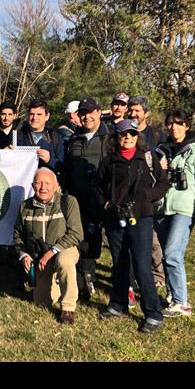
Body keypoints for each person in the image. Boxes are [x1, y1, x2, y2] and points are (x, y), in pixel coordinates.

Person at [94, 119, 169, 333]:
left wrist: (146, 197)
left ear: (137, 136)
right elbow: (97, 187)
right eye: (123, 134)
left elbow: (163, 184)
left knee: (142, 265)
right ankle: (118, 305)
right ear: (116, 137)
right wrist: (105, 203)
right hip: (115, 218)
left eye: (132, 134)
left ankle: (153, 313)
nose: (127, 137)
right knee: (119, 263)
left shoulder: (147, 158)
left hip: (141, 217)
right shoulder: (109, 161)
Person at [156, 110, 195, 318]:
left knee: (173, 254)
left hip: (184, 210)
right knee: (166, 255)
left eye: (178, 123)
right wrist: (159, 168)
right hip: (162, 209)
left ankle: (182, 302)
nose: (174, 127)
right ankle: (173, 295)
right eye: (170, 124)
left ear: (187, 126)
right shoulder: (162, 150)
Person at [14, 168, 84, 324]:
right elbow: (18, 235)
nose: (43, 187)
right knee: (41, 302)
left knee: (64, 262)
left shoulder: (68, 202)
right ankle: (57, 283)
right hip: (40, 257)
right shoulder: (24, 207)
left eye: (47, 183)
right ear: (32, 185)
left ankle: (68, 308)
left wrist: (52, 251)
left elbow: (76, 234)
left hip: (65, 249)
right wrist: (24, 255)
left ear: (56, 185)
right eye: (39, 183)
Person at [61, 96, 114, 299]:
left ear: (99, 112)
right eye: (82, 113)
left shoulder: (110, 137)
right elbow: (68, 168)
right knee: (81, 238)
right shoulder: (74, 139)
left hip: (102, 199)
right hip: (78, 198)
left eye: (90, 112)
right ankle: (84, 277)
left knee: (100, 241)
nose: (87, 117)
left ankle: (119, 282)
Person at [127, 94, 167, 290]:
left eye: (137, 111)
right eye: (131, 110)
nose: (133, 114)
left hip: (149, 195)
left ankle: (158, 276)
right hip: (129, 196)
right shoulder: (125, 132)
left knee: (153, 240)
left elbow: (165, 158)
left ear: (146, 113)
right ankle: (134, 276)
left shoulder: (156, 135)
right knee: (132, 240)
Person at [7, 99, 59, 169]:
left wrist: (49, 160)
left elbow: (63, 166)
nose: (34, 118)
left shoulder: (55, 137)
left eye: (39, 114)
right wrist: (6, 155)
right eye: (31, 114)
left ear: (47, 116)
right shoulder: (16, 136)